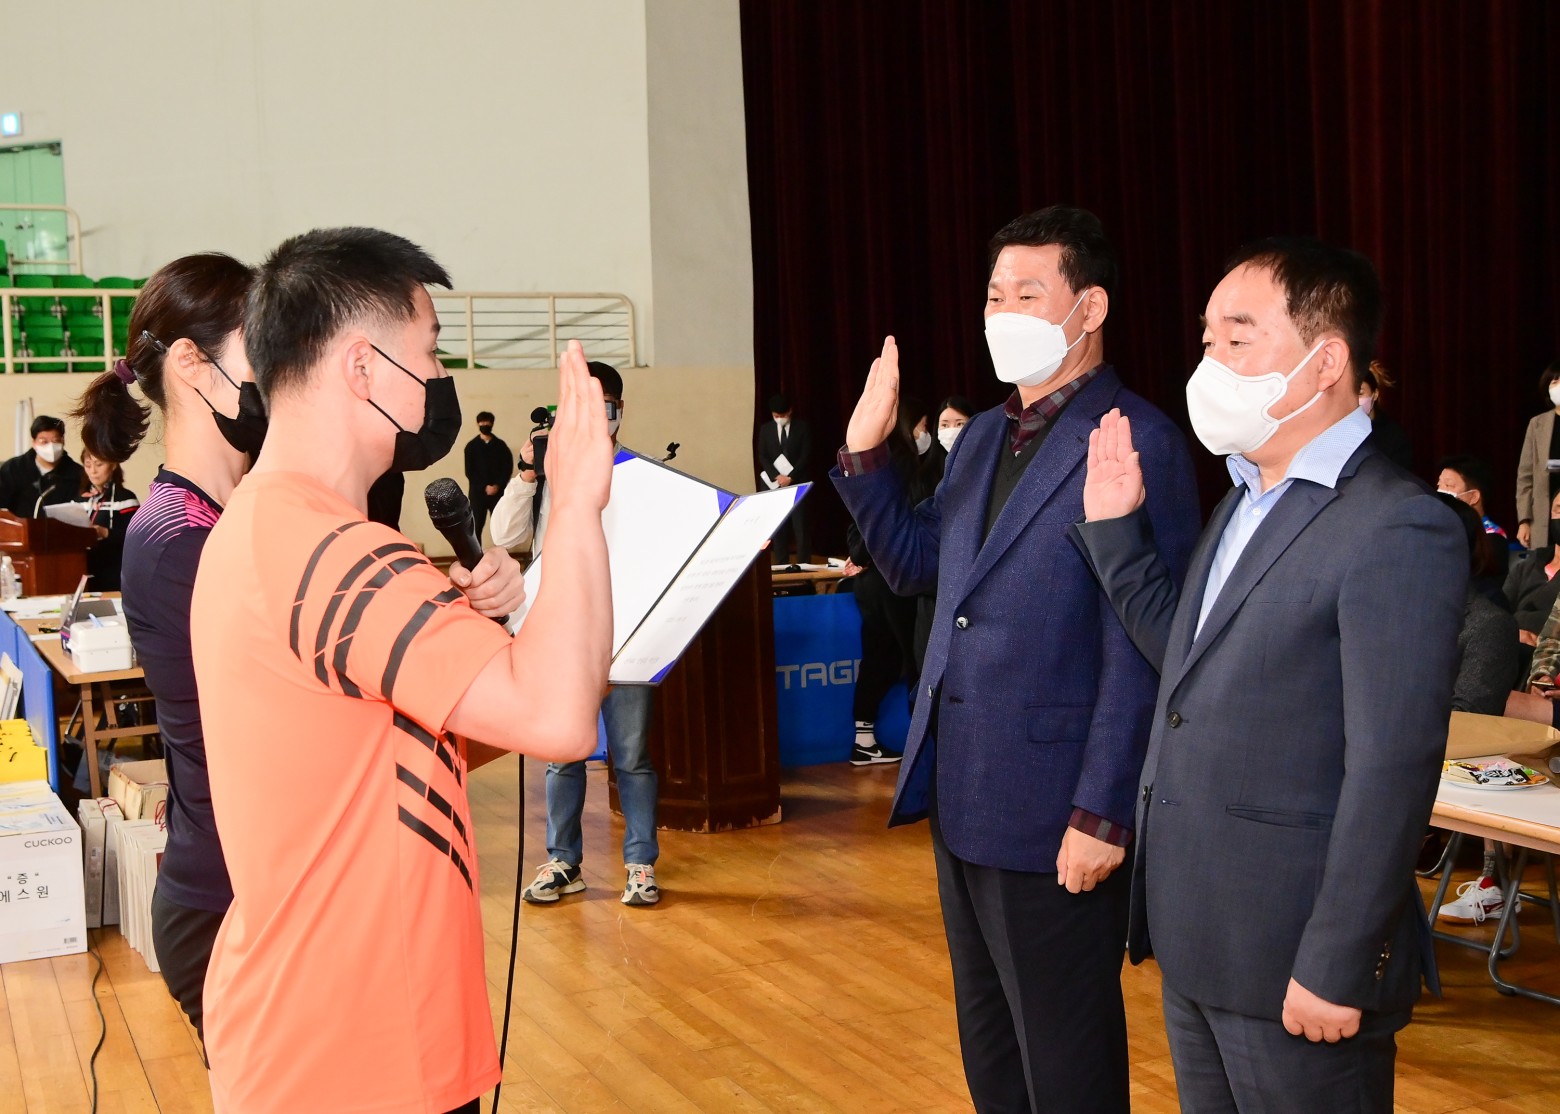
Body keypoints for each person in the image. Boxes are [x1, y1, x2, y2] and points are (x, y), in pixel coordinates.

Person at [189, 227, 613, 1114]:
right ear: (362, 367)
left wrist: (479, 643)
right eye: (427, 353)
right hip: (356, 1051)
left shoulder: (271, 525)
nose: (435, 378)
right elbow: (561, 718)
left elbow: (402, 749)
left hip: (333, 1035)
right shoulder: (334, 552)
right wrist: (576, 502)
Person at [1076, 236, 1466, 1113]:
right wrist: (1116, 532)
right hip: (1201, 940)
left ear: (1325, 362)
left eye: (1237, 339)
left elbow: (1392, 769)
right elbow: (1194, 663)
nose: (1210, 361)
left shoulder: (1397, 526)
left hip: (1297, 957)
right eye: (1207, 340)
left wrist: (1337, 962)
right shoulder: (1244, 497)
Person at [834, 205, 1200, 1114]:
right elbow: (920, 565)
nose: (1002, 313)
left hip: (1059, 807)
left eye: (1027, 294)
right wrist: (867, 450)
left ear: (1090, 308)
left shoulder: (1136, 437)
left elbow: (1143, 646)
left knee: (1066, 1061)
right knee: (992, 1051)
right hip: (965, 791)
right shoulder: (985, 436)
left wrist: (1105, 810)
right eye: (995, 295)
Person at [70, 252, 261, 1044]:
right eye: (263, 346)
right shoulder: (181, 539)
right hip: (229, 903)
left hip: (252, 887)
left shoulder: (225, 517)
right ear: (191, 363)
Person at [492, 362, 662, 907]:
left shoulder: (640, 475)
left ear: (618, 410)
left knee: (631, 756)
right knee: (560, 755)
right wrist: (526, 473)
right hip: (560, 635)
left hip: (626, 636)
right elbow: (503, 534)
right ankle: (563, 861)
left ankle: (640, 863)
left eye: (603, 402)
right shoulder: (550, 470)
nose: (593, 413)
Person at [840, 395, 933, 766]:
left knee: (880, 657)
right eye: (926, 425)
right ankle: (924, 747)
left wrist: (860, 556)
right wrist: (863, 555)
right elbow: (882, 525)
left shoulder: (882, 467)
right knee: (913, 660)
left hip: (874, 582)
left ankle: (864, 740)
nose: (929, 432)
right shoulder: (904, 467)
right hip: (893, 583)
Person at [755, 392, 811, 562]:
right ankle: (781, 566)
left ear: (790, 411)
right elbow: (762, 455)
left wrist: (791, 477)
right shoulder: (766, 429)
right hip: (774, 484)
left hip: (797, 483)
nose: (780, 419)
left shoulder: (802, 428)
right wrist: (776, 476)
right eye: (776, 416)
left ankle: (804, 565)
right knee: (778, 527)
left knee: (800, 526)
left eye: (783, 415)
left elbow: (806, 455)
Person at [74, 449, 139, 592]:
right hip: (84, 569)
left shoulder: (125, 499)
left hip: (114, 572)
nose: (93, 471)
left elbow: (135, 538)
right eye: (88, 465)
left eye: (99, 464)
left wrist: (105, 533)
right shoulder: (81, 499)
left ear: (113, 465)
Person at [0, 415, 86, 518]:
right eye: (44, 442)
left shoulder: (77, 474)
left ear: (63, 441)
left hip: (59, 527)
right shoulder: (13, 469)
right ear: (34, 442)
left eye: (55, 441)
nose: (50, 446)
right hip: (19, 527)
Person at [1514, 358, 1560, 548]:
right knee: (1544, 563)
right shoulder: (1537, 424)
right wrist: (1524, 520)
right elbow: (1525, 477)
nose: (1557, 386)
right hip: (1543, 518)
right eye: (1554, 382)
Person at [463, 410, 512, 539]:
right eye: (482, 422)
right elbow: (469, 471)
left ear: (492, 424)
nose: (485, 425)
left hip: (498, 493)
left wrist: (497, 485)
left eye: (487, 422)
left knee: (501, 526)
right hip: (478, 494)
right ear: (477, 424)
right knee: (476, 526)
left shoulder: (501, 446)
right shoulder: (471, 446)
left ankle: (502, 550)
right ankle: (476, 552)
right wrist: (484, 487)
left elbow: (507, 468)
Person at [1358, 360, 1413, 471]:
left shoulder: (1393, 436)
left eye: (1360, 393)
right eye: (1351, 393)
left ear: (1375, 394)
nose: (1354, 399)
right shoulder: (1338, 430)